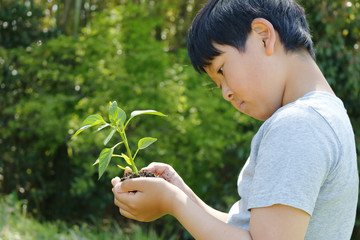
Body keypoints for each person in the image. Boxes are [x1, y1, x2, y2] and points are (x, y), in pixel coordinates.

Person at [111, 0, 359, 239]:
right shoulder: (325, 116)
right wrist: (181, 194)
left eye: (221, 70)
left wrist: (173, 202)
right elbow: (249, 232)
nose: (225, 93)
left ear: (263, 36)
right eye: (218, 85)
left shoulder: (297, 124)